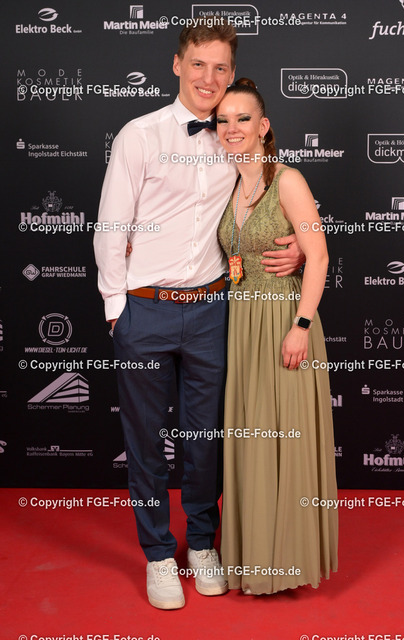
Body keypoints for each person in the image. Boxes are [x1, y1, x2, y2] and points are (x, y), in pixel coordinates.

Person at [93, 22, 303, 610]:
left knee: (207, 439)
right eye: (198, 64)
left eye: (220, 67)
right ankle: (159, 555)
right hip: (144, 310)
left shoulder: (236, 137)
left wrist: (297, 247)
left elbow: (276, 196)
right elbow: (110, 226)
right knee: (145, 443)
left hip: (212, 310)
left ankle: (203, 545)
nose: (209, 78)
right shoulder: (139, 135)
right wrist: (116, 311)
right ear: (177, 65)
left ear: (231, 74)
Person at [216, 78, 338, 594]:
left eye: (243, 118)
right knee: (253, 438)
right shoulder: (226, 183)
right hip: (240, 325)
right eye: (223, 120)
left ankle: (286, 559)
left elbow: (320, 255)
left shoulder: (287, 180)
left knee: (284, 433)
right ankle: (252, 557)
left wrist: (301, 326)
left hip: (284, 321)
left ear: (263, 126)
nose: (232, 128)